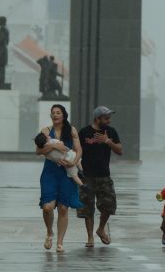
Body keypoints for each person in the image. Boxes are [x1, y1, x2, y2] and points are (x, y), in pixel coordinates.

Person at [36, 104, 83, 253]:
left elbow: (78, 150)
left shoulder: (72, 130)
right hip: (50, 172)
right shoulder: (46, 131)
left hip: (66, 172)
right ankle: (50, 232)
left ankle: (60, 242)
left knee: (63, 208)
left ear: (63, 115)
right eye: (53, 113)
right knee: (47, 206)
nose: (55, 115)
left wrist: (73, 162)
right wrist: (55, 147)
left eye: (58, 113)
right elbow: (38, 150)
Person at [78, 106, 123, 247]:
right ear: (97, 119)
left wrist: (107, 141)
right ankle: (90, 237)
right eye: (106, 118)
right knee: (87, 208)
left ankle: (101, 228)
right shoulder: (85, 132)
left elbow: (120, 151)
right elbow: (76, 150)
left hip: (104, 176)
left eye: (109, 118)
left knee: (109, 205)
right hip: (87, 176)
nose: (109, 121)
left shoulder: (111, 132)